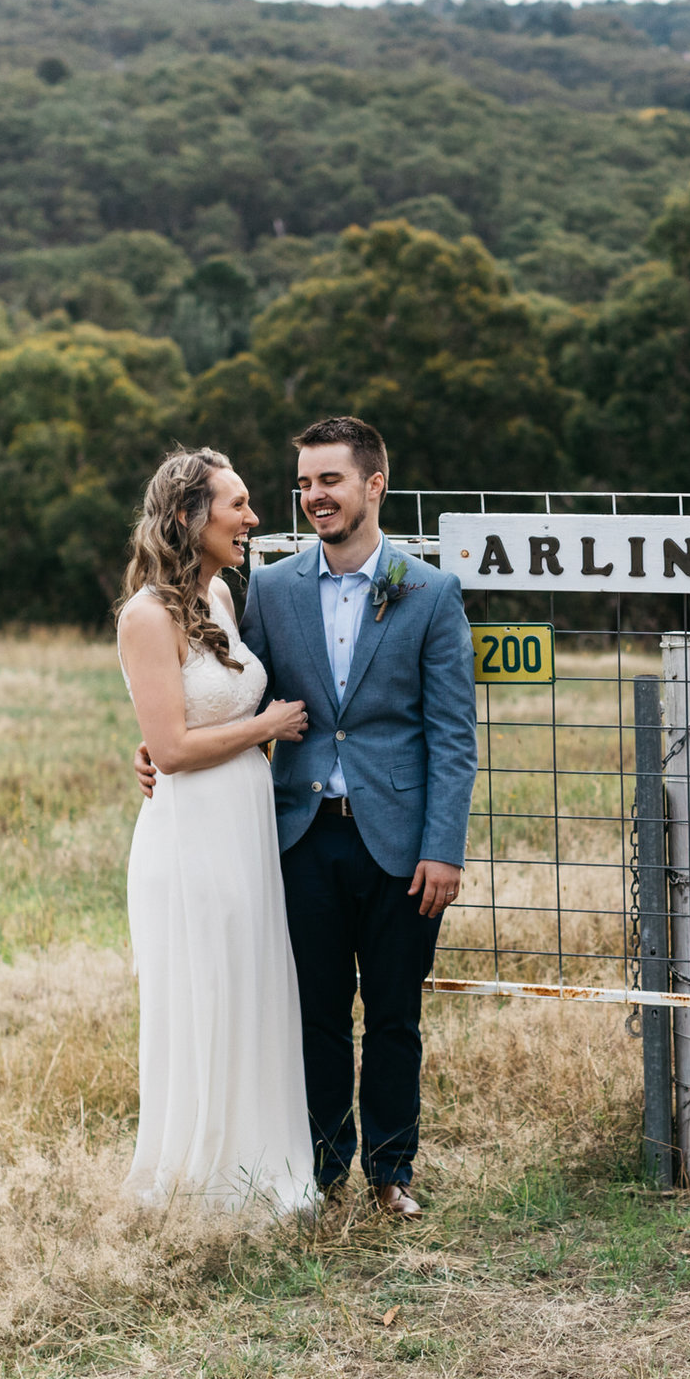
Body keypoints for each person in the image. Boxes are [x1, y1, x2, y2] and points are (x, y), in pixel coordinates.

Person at [140, 416, 476, 1218]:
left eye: (329, 479)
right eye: (305, 482)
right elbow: (224, 686)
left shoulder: (430, 591)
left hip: (399, 841)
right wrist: (156, 749)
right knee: (314, 1013)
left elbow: (453, 735)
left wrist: (444, 848)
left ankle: (392, 1172)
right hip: (293, 838)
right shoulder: (275, 590)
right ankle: (322, 1171)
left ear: (373, 486)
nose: (313, 496)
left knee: (395, 1014)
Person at [114, 447, 319, 1214]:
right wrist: (264, 724)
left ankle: (257, 1162)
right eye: (237, 504)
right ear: (188, 516)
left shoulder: (224, 596)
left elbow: (201, 715)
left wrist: (245, 730)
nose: (252, 518)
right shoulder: (145, 615)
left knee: (249, 988)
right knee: (202, 996)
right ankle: (199, 1178)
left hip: (244, 828)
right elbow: (169, 749)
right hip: (191, 836)